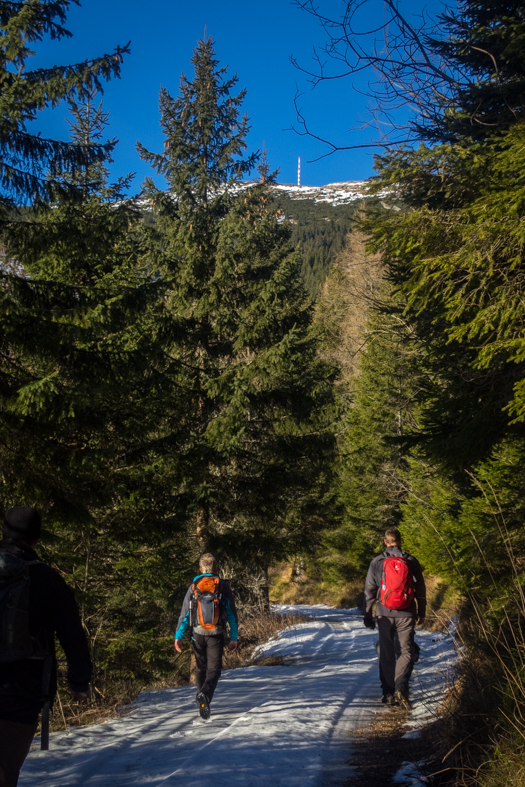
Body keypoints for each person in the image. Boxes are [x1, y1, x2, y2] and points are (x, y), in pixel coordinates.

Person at [0, 507, 92, 787]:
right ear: (36, 539)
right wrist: (78, 681)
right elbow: (72, 634)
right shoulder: (47, 579)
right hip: (23, 691)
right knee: (5, 770)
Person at [364, 527, 426, 709]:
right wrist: (421, 611)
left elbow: (370, 591)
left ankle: (388, 693)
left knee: (386, 651)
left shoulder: (377, 562)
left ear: (385, 541)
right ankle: (401, 687)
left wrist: (368, 614)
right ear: (400, 540)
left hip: (383, 613)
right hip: (407, 612)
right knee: (406, 651)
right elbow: (420, 589)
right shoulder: (411, 560)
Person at [174, 553, 238, 720]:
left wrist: (178, 636)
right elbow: (232, 614)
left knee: (201, 668)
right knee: (214, 670)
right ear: (215, 568)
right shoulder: (222, 586)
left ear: (200, 569)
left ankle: (202, 700)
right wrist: (234, 637)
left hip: (197, 634)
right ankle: (205, 697)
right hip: (216, 634)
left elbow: (184, 614)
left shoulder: (194, 586)